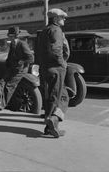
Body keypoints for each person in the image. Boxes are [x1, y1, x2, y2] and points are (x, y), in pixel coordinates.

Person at [38, 8, 70, 138]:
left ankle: (50, 127)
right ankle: (54, 120)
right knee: (61, 97)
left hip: (46, 68)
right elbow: (56, 50)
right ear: (56, 19)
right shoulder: (56, 30)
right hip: (56, 68)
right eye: (62, 17)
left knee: (53, 96)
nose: (64, 19)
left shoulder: (44, 30)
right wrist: (62, 63)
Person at [0, 26, 34, 111]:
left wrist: (21, 62)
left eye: (10, 36)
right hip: (12, 68)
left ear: (14, 36)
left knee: (9, 86)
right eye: (9, 36)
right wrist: (7, 64)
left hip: (20, 70)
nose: (9, 37)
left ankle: (2, 105)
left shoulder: (22, 44)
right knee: (1, 82)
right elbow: (10, 56)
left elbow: (30, 58)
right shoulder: (12, 44)